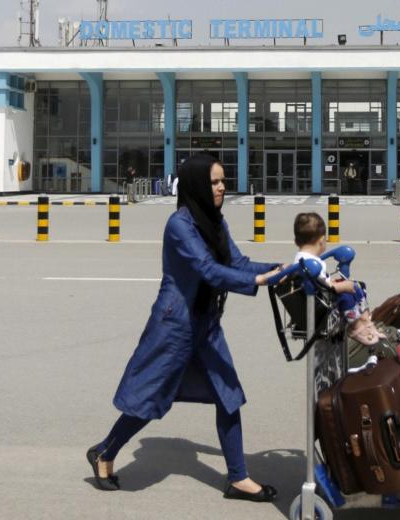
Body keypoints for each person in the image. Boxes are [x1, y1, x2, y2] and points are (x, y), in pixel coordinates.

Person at [86, 154, 283, 502]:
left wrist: (282, 269)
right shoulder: (179, 225)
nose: (223, 187)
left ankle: (238, 478)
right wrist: (257, 280)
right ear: (196, 186)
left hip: (206, 324)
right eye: (215, 182)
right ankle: (105, 451)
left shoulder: (215, 223)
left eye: (223, 181)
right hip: (174, 327)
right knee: (150, 398)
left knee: (229, 397)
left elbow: (237, 262)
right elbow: (208, 269)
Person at [292, 212, 381, 346]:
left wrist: (333, 283)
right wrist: (343, 286)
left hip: (317, 297)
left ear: (296, 241)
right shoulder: (313, 263)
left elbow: (321, 282)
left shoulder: (300, 259)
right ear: (322, 241)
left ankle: (364, 320)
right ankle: (356, 326)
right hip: (323, 305)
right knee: (349, 291)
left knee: (356, 285)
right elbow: (327, 287)